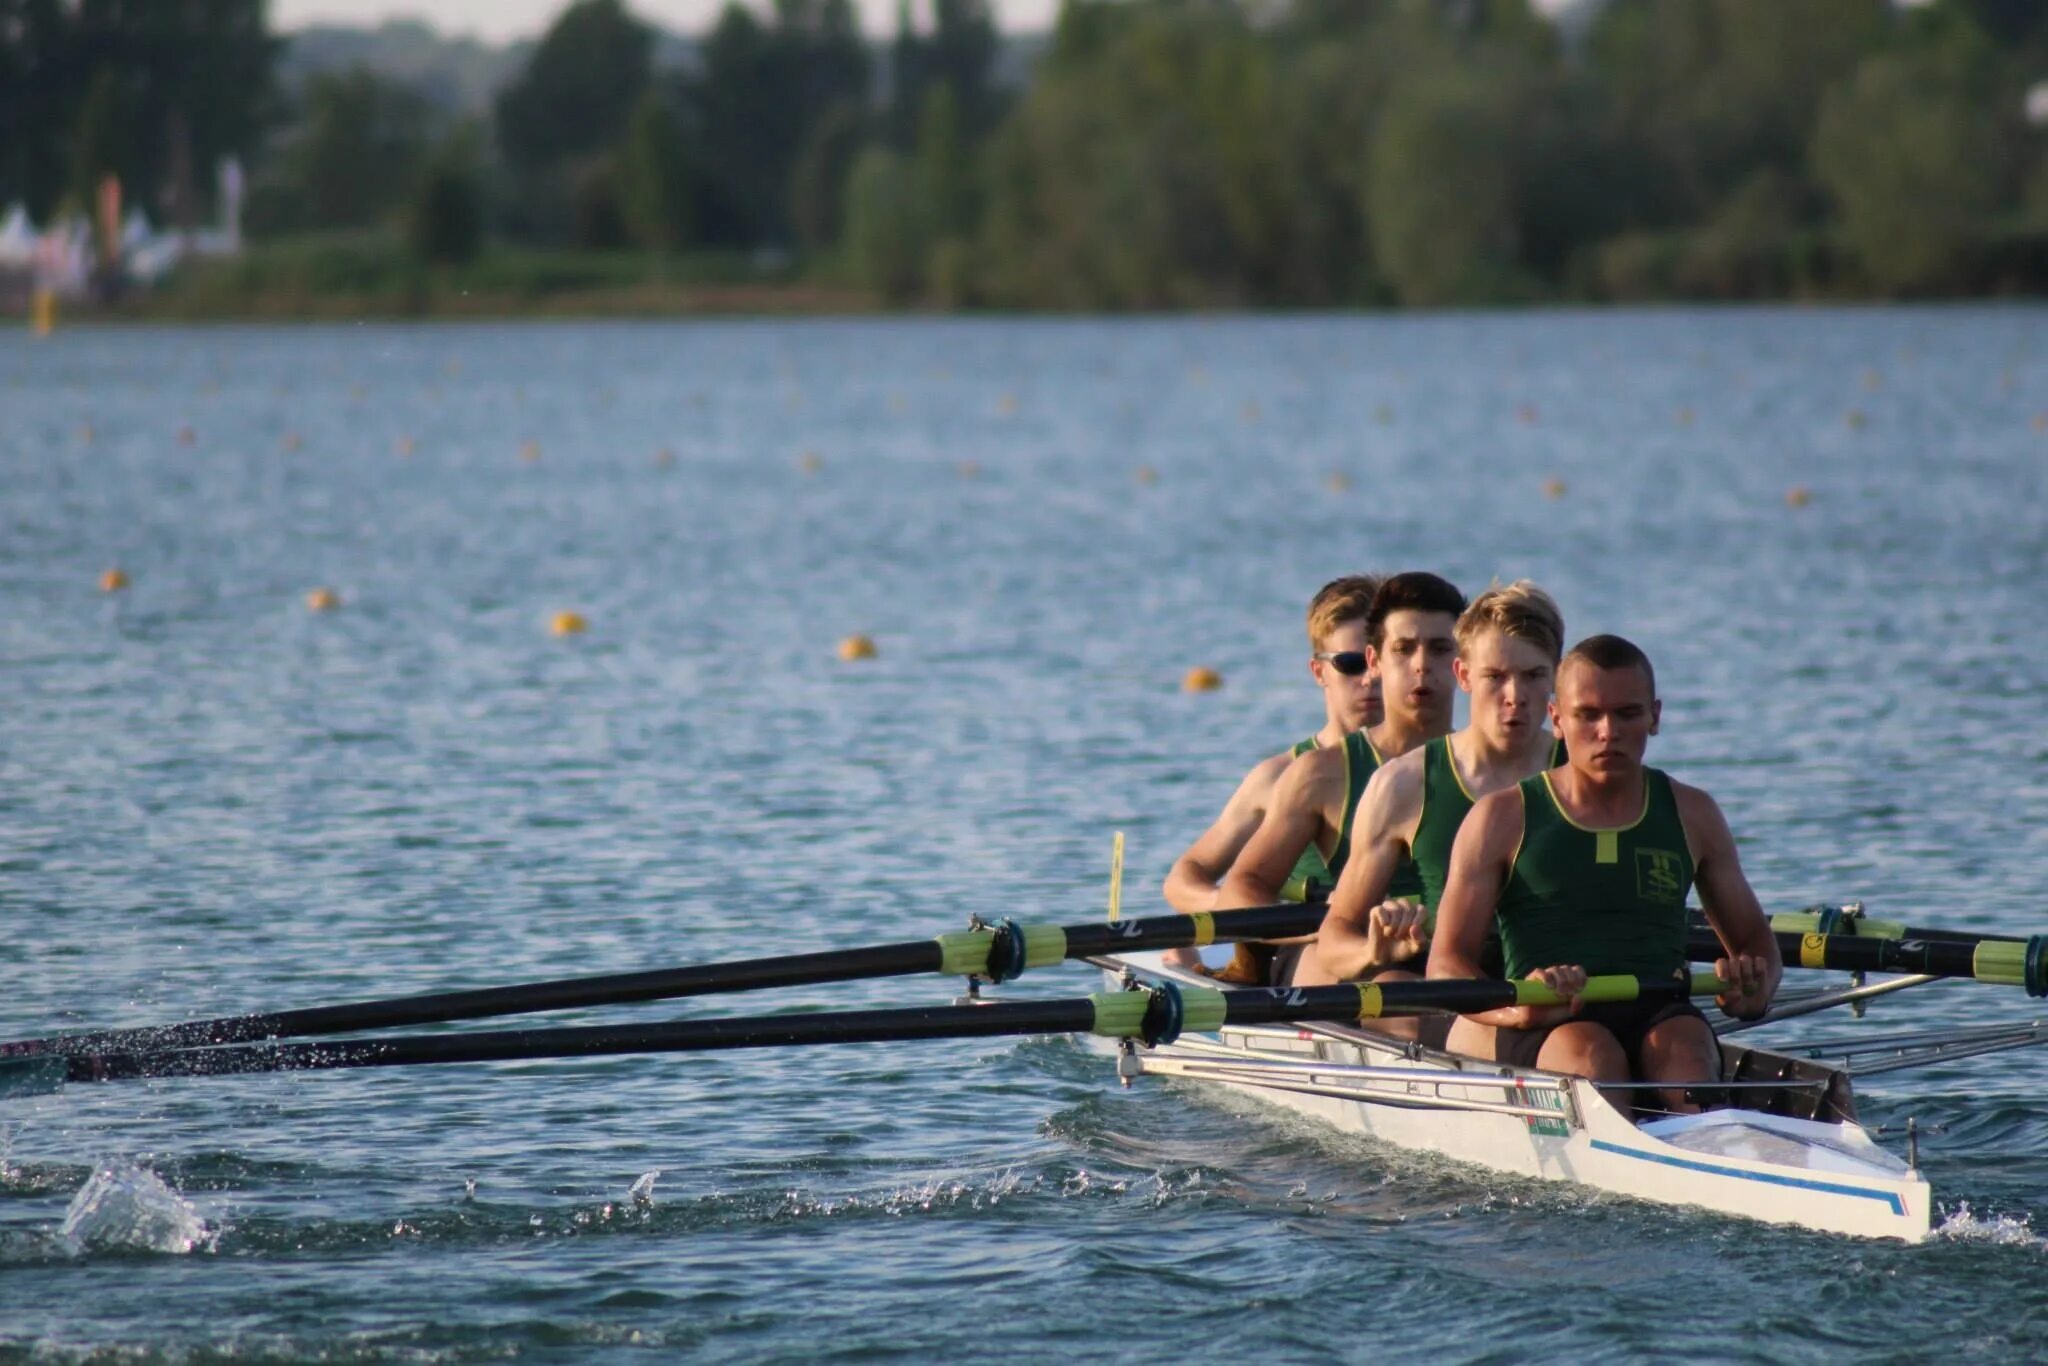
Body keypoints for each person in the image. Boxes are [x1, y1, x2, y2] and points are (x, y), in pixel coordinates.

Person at [1426, 634, 1781, 1115]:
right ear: (1557, 719)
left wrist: (1751, 992)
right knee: (1593, 1056)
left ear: (1654, 716)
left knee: (1686, 1057)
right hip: (1547, 1020)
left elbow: (1756, 943)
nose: (1608, 731)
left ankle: (1705, 1137)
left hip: (1660, 1007)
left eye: (1627, 714)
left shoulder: (1693, 813)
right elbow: (1446, 967)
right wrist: (1519, 1009)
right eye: (1588, 715)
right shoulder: (1501, 819)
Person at [1297, 582, 1566, 1039]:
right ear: (1464, 676)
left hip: (1559, 986)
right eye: (1496, 676)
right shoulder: (1402, 785)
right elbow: (1334, 939)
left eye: (1533, 676)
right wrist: (1374, 951)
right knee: (1399, 998)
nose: (1515, 695)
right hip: (1439, 994)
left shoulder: (1583, 769)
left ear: (1555, 677)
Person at [1215, 572, 1465, 982]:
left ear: (1463, 664)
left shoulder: (1501, 769)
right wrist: (1321, 927)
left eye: (1439, 649)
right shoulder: (1320, 773)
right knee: (1393, 987)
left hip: (1454, 963)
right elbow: (1242, 888)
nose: (1422, 665)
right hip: (1342, 960)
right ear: (1375, 661)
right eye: (1404, 649)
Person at [1160, 575, 1382, 970]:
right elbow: (1182, 880)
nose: (1370, 679)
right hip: (1303, 951)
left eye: (1380, 661)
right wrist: (1246, 908)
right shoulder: (1280, 777)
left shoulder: (1429, 768)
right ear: (1319, 672)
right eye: (1351, 664)